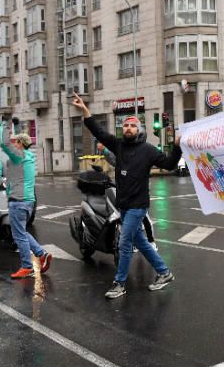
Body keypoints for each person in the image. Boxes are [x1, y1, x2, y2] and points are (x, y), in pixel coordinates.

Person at [73, 93, 181, 299]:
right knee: (140, 242)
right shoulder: (119, 146)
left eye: (132, 126)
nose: (128, 129)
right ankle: (164, 272)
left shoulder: (148, 151)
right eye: (125, 126)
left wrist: (177, 147)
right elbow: (98, 131)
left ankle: (119, 284)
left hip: (137, 206)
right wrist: (85, 110)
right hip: (123, 205)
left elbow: (169, 165)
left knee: (124, 243)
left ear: (138, 129)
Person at [0, 120, 51, 279]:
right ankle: (41, 254)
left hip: (18, 201)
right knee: (21, 232)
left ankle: (27, 266)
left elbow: (3, 143)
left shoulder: (19, 156)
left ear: (21, 144)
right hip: (28, 201)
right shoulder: (28, 156)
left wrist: (5, 123)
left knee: (18, 236)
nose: (13, 144)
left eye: (16, 142)